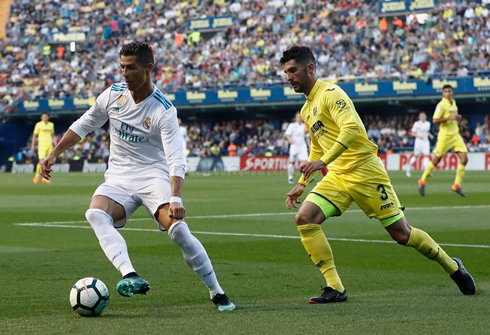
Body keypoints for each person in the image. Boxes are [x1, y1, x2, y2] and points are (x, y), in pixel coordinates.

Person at [40, 41, 235, 311]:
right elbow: (85, 123)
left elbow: (176, 158)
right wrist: (54, 153)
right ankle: (129, 275)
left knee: (178, 229)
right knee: (95, 214)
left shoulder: (163, 109)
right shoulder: (112, 95)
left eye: (131, 67)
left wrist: (176, 197)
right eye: (122, 67)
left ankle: (217, 292)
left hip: (153, 176)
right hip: (119, 177)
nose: (124, 73)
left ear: (148, 68)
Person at [281, 46, 475, 304]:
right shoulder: (307, 109)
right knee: (305, 218)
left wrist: (323, 161)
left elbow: (350, 129)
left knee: (402, 235)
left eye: (293, 70)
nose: (289, 76)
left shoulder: (330, 93)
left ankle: (451, 265)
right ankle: (335, 287)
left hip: (365, 170)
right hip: (338, 175)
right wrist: (302, 182)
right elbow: (317, 146)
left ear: (310, 68)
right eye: (285, 72)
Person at [418, 85, 468, 197]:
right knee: (436, 160)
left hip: (455, 135)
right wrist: (449, 118)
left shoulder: (453, 102)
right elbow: (435, 120)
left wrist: (457, 118)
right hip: (444, 136)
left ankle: (456, 185)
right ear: (443, 93)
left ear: (452, 92)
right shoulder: (441, 105)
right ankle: (422, 181)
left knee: (464, 159)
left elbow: (453, 117)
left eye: (449, 91)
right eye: (445, 92)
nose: (448, 93)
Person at [405, 112, 434, 177]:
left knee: (426, 156)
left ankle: (427, 172)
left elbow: (427, 131)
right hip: (418, 142)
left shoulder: (428, 124)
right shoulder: (417, 124)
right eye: (422, 116)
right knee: (415, 156)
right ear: (420, 117)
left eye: (424, 116)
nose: (423, 117)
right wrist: (418, 136)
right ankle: (408, 169)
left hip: (426, 142)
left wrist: (430, 135)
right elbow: (412, 133)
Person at [31, 113, 56, 184]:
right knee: (41, 161)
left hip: (49, 145)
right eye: (43, 117)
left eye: (46, 117)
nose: (45, 118)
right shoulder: (38, 125)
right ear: (41, 117)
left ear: (48, 117)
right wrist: (33, 145)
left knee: (48, 162)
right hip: (42, 145)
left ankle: (44, 178)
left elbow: (53, 135)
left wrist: (55, 143)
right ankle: (36, 176)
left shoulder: (51, 124)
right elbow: (34, 135)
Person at [285, 112, 308, 184]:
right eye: (298, 117)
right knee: (292, 162)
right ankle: (290, 177)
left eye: (300, 117)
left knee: (305, 162)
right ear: (296, 118)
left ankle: (305, 177)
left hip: (302, 146)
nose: (299, 118)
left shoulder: (305, 126)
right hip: (294, 146)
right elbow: (287, 135)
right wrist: (290, 140)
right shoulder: (292, 125)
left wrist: (309, 145)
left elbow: (307, 137)